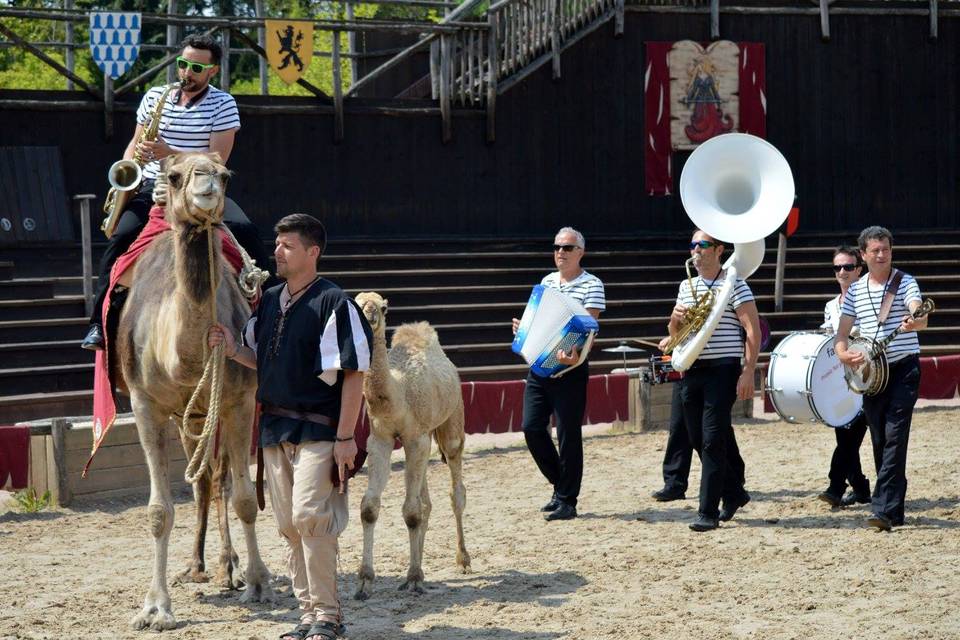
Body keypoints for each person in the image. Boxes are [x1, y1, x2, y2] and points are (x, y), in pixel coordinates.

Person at [209, 214, 372, 640]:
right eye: (277, 244)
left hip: (321, 428)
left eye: (287, 246)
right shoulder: (270, 301)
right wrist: (231, 349)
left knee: (309, 517)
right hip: (274, 429)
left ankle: (328, 616)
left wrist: (344, 439)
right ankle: (307, 616)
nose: (277, 252)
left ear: (312, 252)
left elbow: (353, 373)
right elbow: (258, 358)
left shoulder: (335, 303)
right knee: (288, 525)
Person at [83, 33, 270, 350]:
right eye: (183, 64)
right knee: (119, 240)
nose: (187, 73)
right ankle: (98, 326)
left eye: (197, 68)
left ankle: (270, 318)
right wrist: (132, 164)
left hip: (199, 189)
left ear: (212, 71)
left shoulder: (223, 104)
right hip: (154, 188)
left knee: (247, 232)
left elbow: (216, 160)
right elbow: (136, 143)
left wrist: (168, 152)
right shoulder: (155, 96)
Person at [835, 226, 927, 532]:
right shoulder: (857, 290)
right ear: (863, 254)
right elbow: (842, 333)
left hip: (903, 369)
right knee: (880, 440)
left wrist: (916, 318)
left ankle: (883, 509)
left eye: (885, 249)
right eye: (875, 250)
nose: (881, 255)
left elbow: (920, 312)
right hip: (871, 375)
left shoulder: (906, 282)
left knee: (895, 437)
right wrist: (843, 354)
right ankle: (894, 506)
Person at [512, 227, 605, 522]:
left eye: (566, 248)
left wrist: (575, 352)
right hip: (540, 366)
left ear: (580, 252)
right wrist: (523, 330)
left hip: (571, 369)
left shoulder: (592, 284)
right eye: (556, 247)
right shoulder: (546, 282)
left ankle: (567, 499)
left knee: (568, 434)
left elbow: (589, 328)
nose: (560, 252)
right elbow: (537, 320)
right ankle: (560, 486)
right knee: (531, 427)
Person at [669, 230, 759, 532]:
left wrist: (748, 371)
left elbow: (752, 331)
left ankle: (707, 512)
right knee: (696, 438)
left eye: (703, 245)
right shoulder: (686, 286)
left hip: (723, 370)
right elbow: (675, 335)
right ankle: (734, 493)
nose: (696, 250)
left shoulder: (736, 285)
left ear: (719, 250)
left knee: (711, 439)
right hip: (692, 368)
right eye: (693, 244)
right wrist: (674, 320)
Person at [817, 246, 871, 508]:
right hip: (840, 378)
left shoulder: (868, 299)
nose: (842, 272)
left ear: (859, 269)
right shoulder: (830, 305)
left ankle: (836, 486)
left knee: (852, 435)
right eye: (837, 267)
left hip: (866, 375)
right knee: (845, 435)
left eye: (848, 267)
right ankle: (860, 487)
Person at [651, 335, 692, 502]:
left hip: (712, 364)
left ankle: (733, 478)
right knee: (678, 426)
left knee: (715, 430)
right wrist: (674, 337)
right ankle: (674, 483)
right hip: (685, 363)